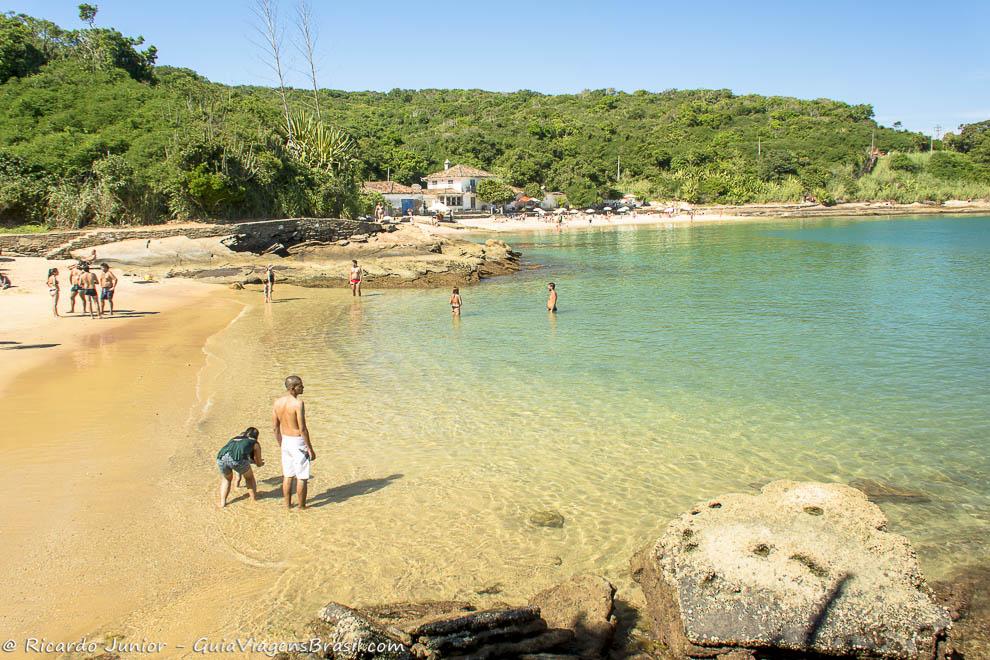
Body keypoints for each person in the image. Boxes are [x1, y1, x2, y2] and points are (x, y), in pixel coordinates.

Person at [273, 375, 316, 510]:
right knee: (302, 476)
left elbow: (275, 427)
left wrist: (280, 443)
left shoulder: (277, 402)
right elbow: (302, 428)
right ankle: (302, 506)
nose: (303, 387)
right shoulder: (298, 404)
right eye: (300, 385)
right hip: (298, 442)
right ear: (293, 388)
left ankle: (287, 505)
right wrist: (310, 448)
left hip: (285, 440)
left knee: (288, 475)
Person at [216, 427, 264, 508]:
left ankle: (223, 503)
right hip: (236, 459)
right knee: (249, 478)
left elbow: (234, 451)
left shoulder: (235, 438)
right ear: (256, 436)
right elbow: (258, 463)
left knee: (227, 479)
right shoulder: (255, 443)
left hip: (221, 457)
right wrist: (260, 463)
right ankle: (254, 500)